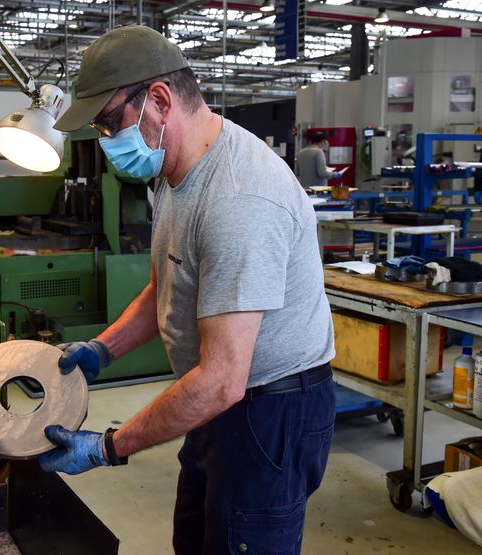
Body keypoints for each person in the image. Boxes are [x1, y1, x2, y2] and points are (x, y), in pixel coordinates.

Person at [38, 25, 336, 555]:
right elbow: (166, 288)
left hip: (268, 412)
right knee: (195, 541)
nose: (106, 141)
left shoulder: (239, 200)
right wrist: (101, 351)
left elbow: (224, 380)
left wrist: (108, 446)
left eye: (109, 123)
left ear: (157, 101)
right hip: (217, 401)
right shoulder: (175, 174)